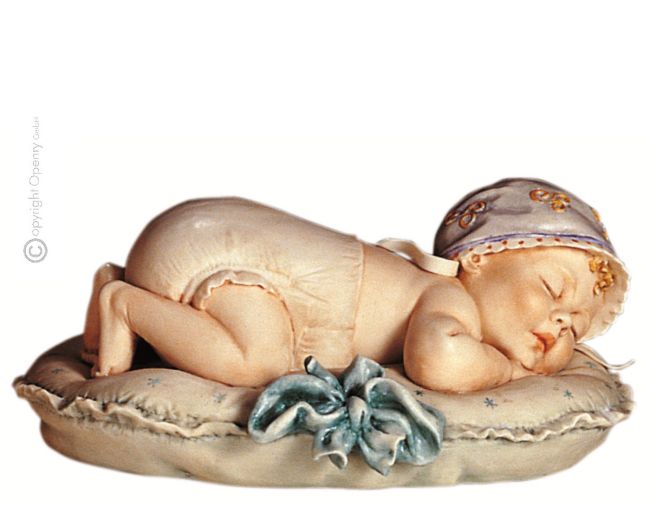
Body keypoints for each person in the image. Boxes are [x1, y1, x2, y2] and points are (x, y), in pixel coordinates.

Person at [82, 178, 628, 392]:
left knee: (251, 342)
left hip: (196, 238)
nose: (560, 323)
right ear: (481, 259)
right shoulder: (448, 298)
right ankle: (125, 303)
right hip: (222, 258)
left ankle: (124, 286)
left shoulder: (422, 284)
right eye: (552, 290)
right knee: (258, 364)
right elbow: (439, 361)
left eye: (575, 327)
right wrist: (507, 370)